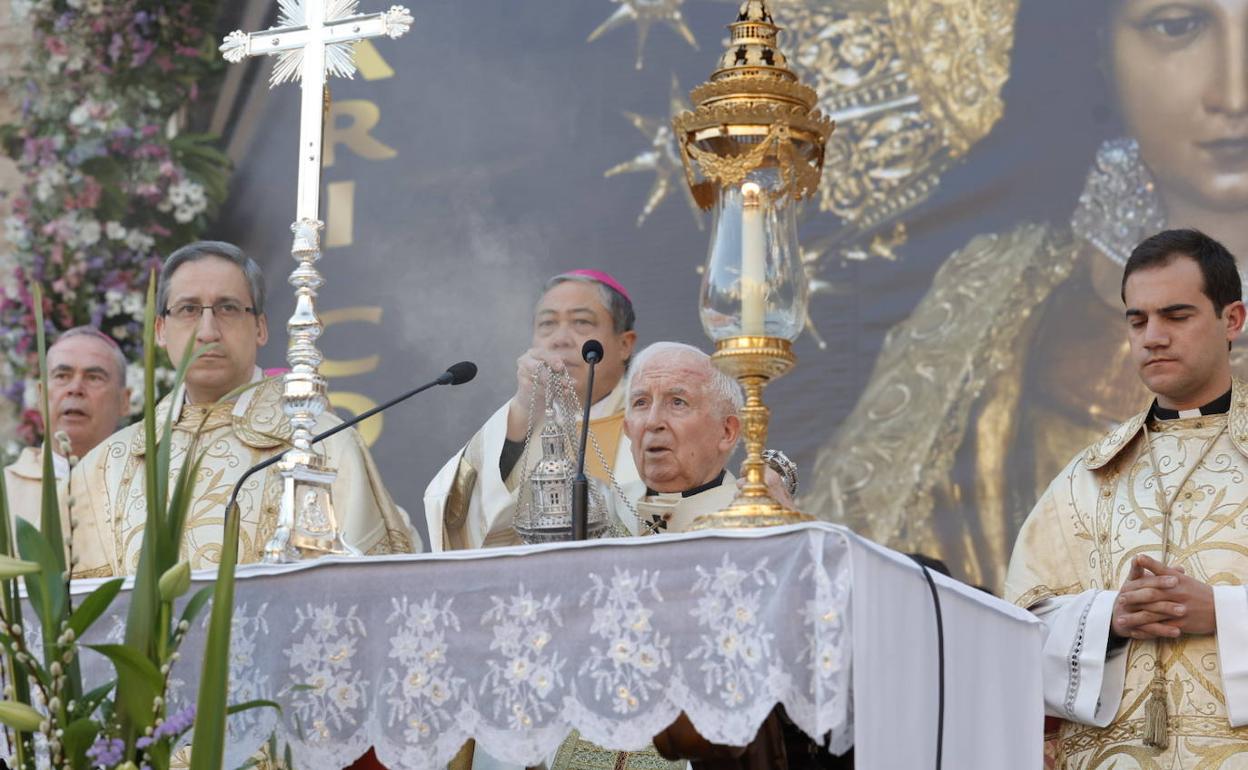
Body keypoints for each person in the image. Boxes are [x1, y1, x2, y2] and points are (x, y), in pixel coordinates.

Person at [806, 0, 1248, 590]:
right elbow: (903, 591)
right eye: (1177, 26)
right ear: (1102, 53)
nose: (1234, 92)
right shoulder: (1001, 294)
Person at [1006, 229, 1248, 766]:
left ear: (1232, 319)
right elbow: (1017, 630)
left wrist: (1224, 614)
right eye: (1137, 321)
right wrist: (1107, 619)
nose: (1152, 337)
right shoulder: (1084, 479)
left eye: (1176, 316)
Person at [67, 241, 415, 578]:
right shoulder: (104, 469)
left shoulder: (323, 445)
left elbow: (370, 590)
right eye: (188, 309)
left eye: (228, 308)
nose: (207, 331)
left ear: (260, 328)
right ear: (160, 330)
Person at [423, 270, 639, 552]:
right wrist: (524, 408)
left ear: (624, 344)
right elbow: (456, 515)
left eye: (582, 322)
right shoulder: (517, 422)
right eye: (547, 324)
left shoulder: (653, 421)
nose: (560, 339)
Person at [3, 327, 131, 528]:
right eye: (62, 376)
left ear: (124, 400)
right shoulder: (5, 490)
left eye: (94, 377)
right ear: (40, 395)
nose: (75, 389)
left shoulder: (149, 488)